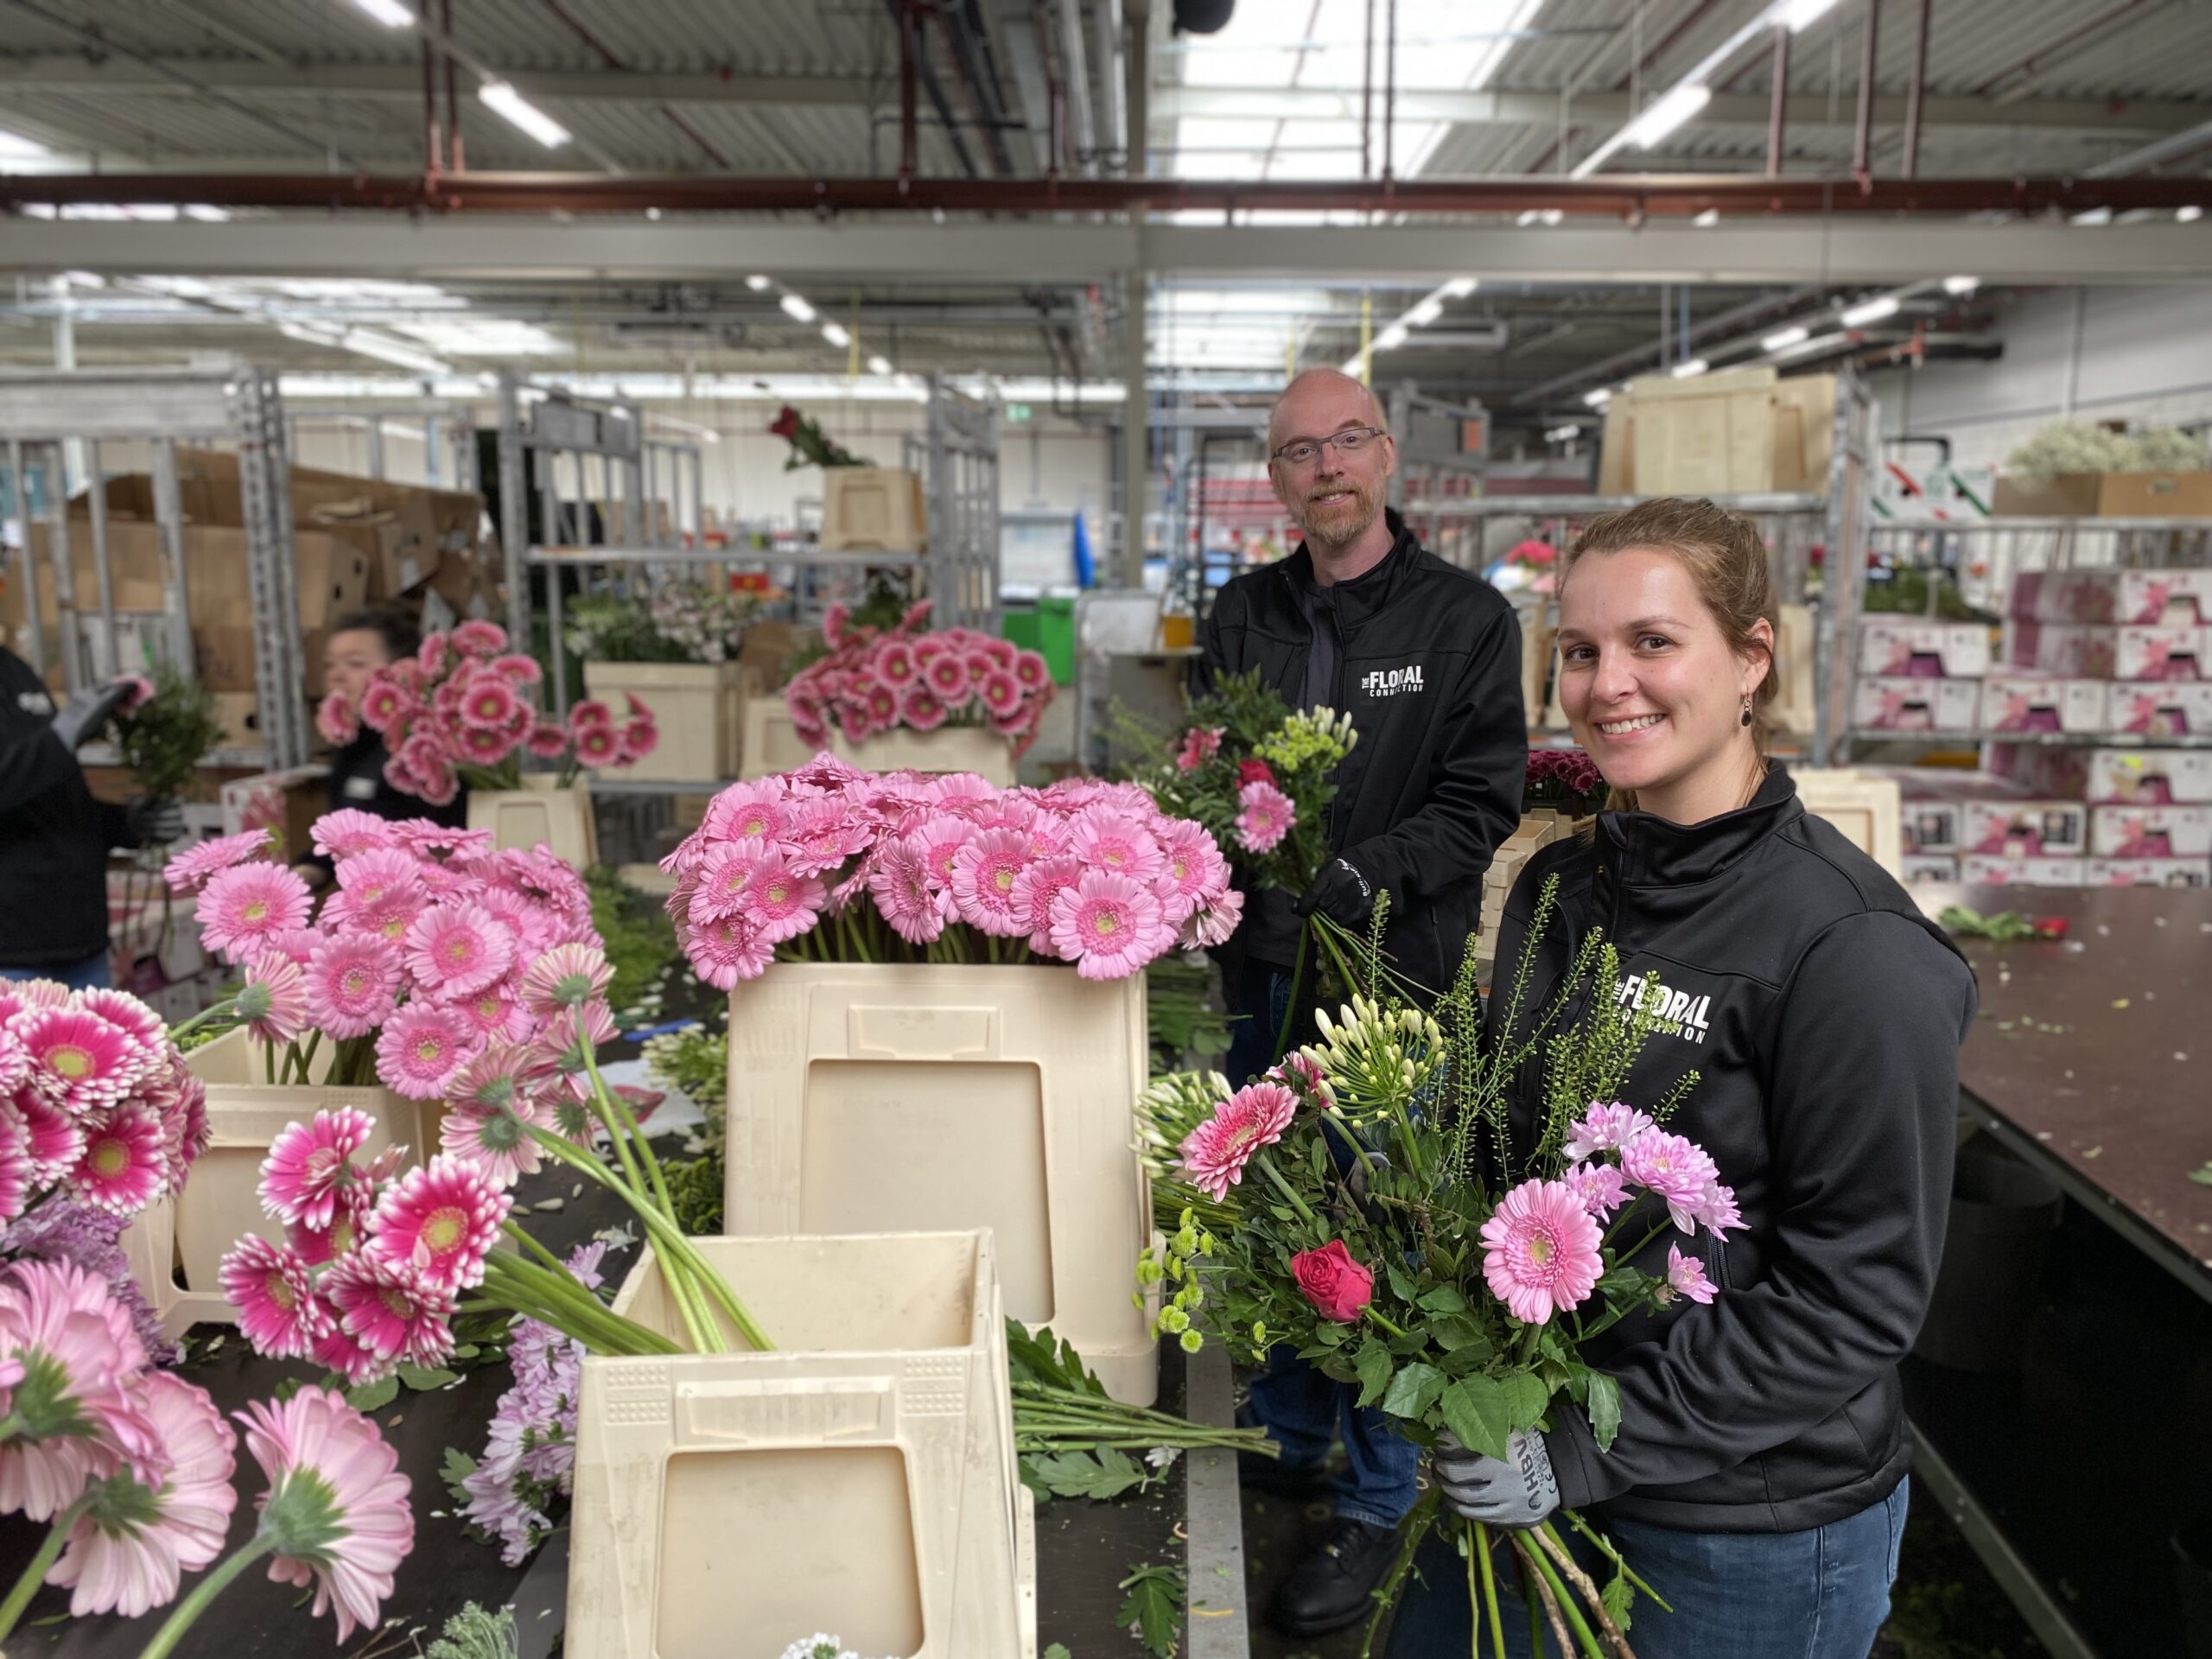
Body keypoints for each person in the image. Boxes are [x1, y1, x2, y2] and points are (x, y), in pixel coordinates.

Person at [1385, 497, 1978, 1659]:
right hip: (1529, 1439)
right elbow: (1502, 1153)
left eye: (1654, 642)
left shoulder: (1852, 947)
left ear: (1753, 657)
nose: (1610, 684)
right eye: (1581, 650)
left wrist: (1582, 1449)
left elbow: (1858, 1297)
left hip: (1744, 1527)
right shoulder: (1559, 886)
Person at [1200, 367, 1528, 1637]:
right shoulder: (1241, 613)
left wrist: (1359, 877)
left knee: (1385, 1235)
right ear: (1276, 479)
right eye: (1298, 452)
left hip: (1394, 982)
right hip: (1263, 979)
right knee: (1272, 1208)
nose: (1325, 467)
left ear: (1386, 457)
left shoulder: (1464, 622)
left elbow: (1480, 801)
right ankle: (1291, 1437)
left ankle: (1381, 1499)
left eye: (1347, 442)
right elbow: (1217, 781)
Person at [0, 646, 182, 989]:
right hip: (11, 958)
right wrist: (60, 737)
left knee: (98, 1043)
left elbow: (50, 799)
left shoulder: (13, 668)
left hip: (81, 945)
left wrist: (127, 824)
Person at [312, 608, 468, 862]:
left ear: (401, 672)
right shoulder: (351, 744)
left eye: (355, 663)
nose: (335, 675)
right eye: (329, 664)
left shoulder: (428, 748)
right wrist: (307, 870)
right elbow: (341, 843)